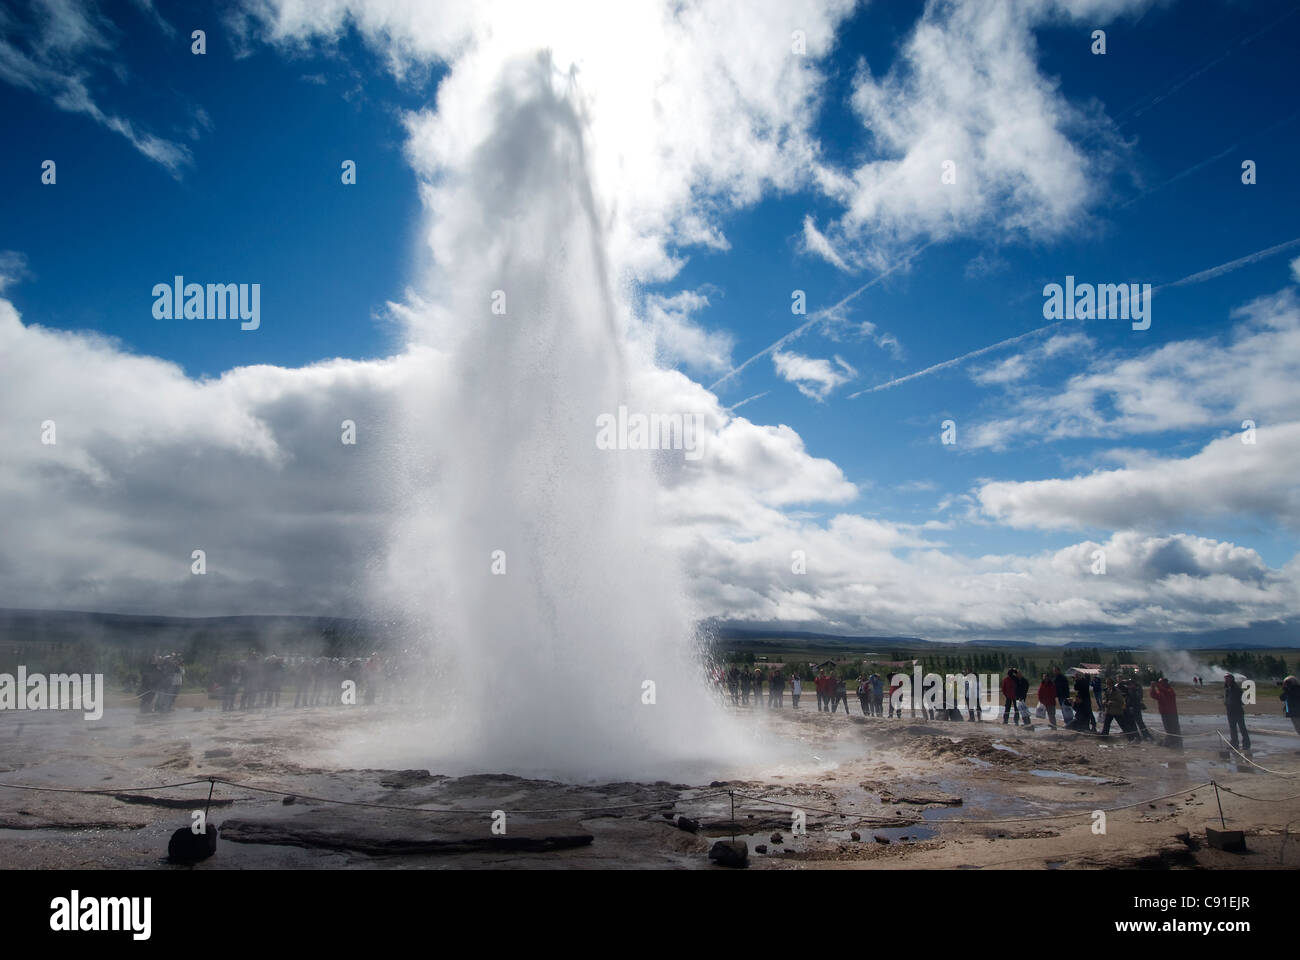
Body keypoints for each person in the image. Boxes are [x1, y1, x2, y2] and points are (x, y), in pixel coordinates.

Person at [1149, 676, 1181, 749]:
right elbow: (1153, 695)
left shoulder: (1170, 690)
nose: (1160, 684)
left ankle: (1176, 743)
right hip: (1164, 713)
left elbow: (1167, 693)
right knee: (1168, 729)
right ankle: (1171, 742)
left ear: (1166, 683)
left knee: (1174, 729)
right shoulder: (1161, 691)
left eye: (1161, 682)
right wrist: (1152, 688)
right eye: (1160, 683)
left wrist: (1157, 686)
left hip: (1172, 713)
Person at [1224, 674, 1251, 752]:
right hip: (1230, 712)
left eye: (1228, 679)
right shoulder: (1227, 689)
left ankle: (1246, 745)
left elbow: (1244, 701)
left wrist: (1236, 704)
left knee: (1242, 728)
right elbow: (1227, 699)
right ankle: (1234, 744)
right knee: (1232, 729)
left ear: (1232, 679)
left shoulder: (1237, 689)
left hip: (1238, 712)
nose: (1226, 680)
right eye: (1225, 679)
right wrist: (1226, 703)